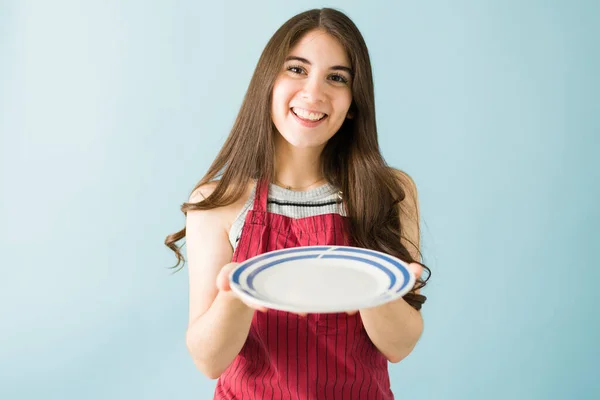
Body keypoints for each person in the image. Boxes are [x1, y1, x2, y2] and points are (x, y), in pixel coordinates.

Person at [165, 7, 431, 400]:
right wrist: (237, 293)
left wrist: (373, 287)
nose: (313, 93)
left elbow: (400, 346)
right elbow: (209, 361)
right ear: (268, 82)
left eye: (336, 78)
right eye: (296, 69)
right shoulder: (217, 202)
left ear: (354, 101)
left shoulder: (390, 192)